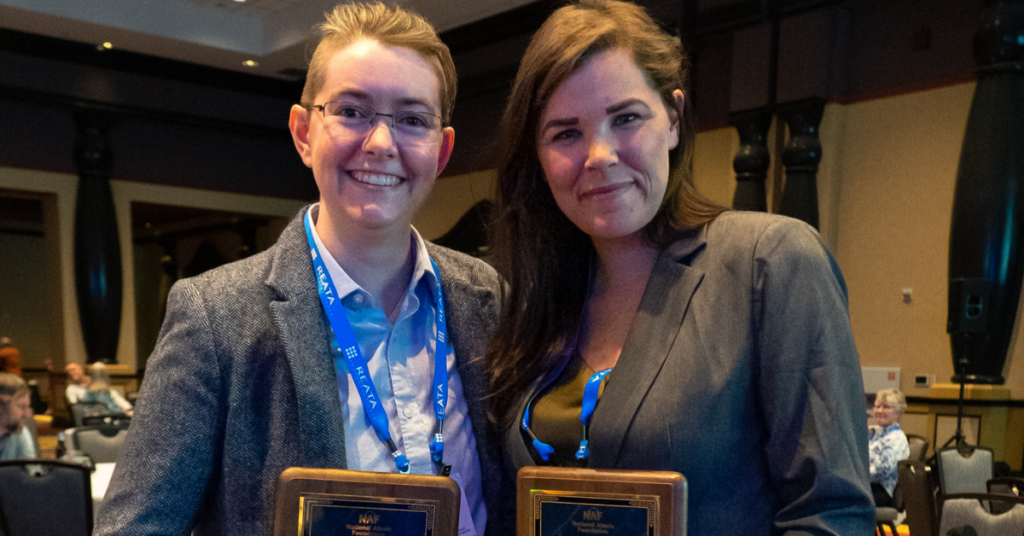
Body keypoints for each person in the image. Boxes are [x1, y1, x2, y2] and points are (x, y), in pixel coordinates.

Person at [93, 4, 511, 536]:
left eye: (412, 119)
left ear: (441, 149)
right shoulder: (215, 317)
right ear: (303, 132)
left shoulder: (487, 298)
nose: (381, 144)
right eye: (352, 112)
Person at [484, 1, 874, 534]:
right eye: (566, 133)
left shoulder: (771, 262)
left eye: (625, 119)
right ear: (538, 154)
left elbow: (830, 515)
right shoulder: (540, 299)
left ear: (672, 118)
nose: (599, 154)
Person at [868, 388, 910, 507]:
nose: (880, 410)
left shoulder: (897, 439)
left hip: (880, 491)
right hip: (865, 486)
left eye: (886, 407)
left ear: (898, 412)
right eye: (877, 406)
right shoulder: (873, 432)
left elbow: (881, 472)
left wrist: (853, 475)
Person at [0, 372, 35, 460]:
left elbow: (31, 471)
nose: (27, 414)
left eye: (27, 407)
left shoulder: (19, 433)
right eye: (21, 406)